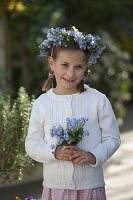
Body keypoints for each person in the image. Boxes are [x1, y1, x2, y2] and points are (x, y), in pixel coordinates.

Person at [25, 26, 121, 200]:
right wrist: (54, 152)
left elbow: (112, 138)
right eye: (65, 65)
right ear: (52, 63)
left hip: (91, 188)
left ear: (86, 68)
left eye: (78, 67)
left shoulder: (98, 100)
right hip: (56, 189)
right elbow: (32, 144)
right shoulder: (42, 103)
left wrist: (93, 156)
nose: (71, 73)